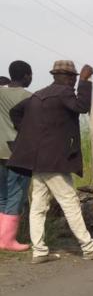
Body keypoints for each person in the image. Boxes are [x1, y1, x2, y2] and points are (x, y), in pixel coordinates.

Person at [9, 61, 93, 263]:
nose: (73, 81)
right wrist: (84, 81)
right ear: (66, 77)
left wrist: (30, 134)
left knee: (39, 205)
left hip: (37, 159)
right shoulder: (64, 93)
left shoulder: (38, 95)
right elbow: (81, 106)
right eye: (73, 77)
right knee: (70, 201)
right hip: (54, 160)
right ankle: (89, 248)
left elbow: (15, 112)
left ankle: (39, 251)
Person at [0, 61, 33, 252]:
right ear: (27, 76)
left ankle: (2, 237)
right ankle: (8, 241)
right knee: (16, 194)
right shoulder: (29, 97)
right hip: (17, 152)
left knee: (2, 195)